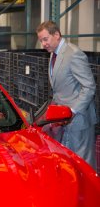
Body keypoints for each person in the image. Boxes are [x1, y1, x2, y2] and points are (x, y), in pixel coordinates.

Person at [36, 21, 98, 169]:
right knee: (70, 163)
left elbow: (89, 87)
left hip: (79, 120)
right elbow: (58, 91)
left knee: (84, 164)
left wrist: (72, 111)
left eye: (45, 39)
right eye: (41, 41)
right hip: (63, 119)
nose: (43, 44)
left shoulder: (74, 54)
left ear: (56, 35)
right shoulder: (54, 54)